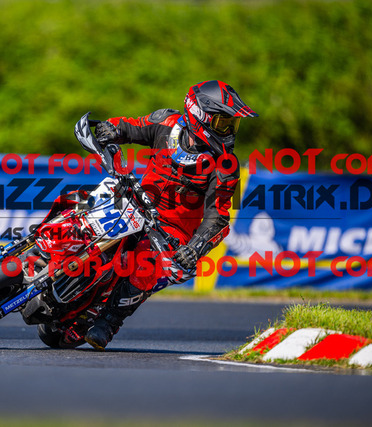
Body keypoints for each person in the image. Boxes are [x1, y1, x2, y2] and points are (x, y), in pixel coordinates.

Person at [84, 80, 258, 350]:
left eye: (232, 124)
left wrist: (195, 248)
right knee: (81, 203)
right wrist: (112, 128)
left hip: (171, 231)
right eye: (223, 123)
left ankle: (108, 322)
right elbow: (132, 126)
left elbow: (218, 217)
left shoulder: (226, 165)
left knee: (147, 265)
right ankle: (37, 248)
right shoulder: (166, 122)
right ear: (200, 115)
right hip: (135, 201)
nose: (229, 131)